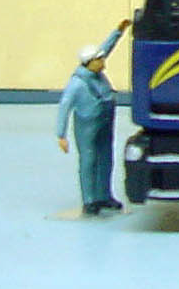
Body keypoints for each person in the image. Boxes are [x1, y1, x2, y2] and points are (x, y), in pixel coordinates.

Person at [56, 19, 131, 215]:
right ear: (89, 63)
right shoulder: (77, 84)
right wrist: (61, 135)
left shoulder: (98, 75)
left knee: (106, 158)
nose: (103, 62)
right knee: (88, 161)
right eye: (99, 59)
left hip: (105, 121)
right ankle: (89, 200)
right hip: (87, 126)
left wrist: (118, 31)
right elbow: (64, 106)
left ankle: (104, 195)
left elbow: (107, 47)